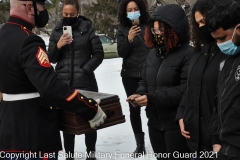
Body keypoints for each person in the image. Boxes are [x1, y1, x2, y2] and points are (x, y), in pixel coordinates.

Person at [0, 0, 106, 159]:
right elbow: (50, 86)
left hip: (7, 132)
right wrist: (89, 108)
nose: (44, 11)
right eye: (42, 6)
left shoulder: (2, 35)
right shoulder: (28, 39)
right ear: (30, 8)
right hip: (33, 134)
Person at [127, 4, 191, 160]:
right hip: (154, 123)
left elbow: (184, 90)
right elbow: (144, 80)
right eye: (154, 30)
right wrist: (140, 93)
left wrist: (152, 98)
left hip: (176, 125)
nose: (157, 34)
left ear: (174, 30)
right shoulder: (152, 55)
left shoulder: (188, 54)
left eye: (161, 30)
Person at [47, 0, 103, 159]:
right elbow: (51, 58)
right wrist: (58, 45)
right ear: (62, 13)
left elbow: (99, 54)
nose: (68, 17)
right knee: (66, 122)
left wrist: (85, 69)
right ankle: (69, 155)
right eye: (65, 14)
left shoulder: (87, 29)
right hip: (63, 84)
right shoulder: (57, 31)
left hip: (86, 83)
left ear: (77, 13)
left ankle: (91, 154)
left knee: (90, 119)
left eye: (72, 14)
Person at [176, 0, 223, 159]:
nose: (202, 26)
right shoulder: (196, 52)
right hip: (195, 139)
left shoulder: (226, 51)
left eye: (205, 20)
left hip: (219, 140)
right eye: (198, 23)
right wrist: (182, 113)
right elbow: (190, 87)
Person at [205, 0, 240, 159]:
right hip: (225, 147)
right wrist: (215, 139)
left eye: (222, 38)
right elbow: (219, 99)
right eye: (216, 40)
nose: (220, 44)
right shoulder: (227, 58)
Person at [117, 0, 150, 155]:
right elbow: (121, 53)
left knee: (153, 105)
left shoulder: (149, 25)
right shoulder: (122, 29)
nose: (133, 12)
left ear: (141, 10)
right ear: (125, 12)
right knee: (134, 109)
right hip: (129, 75)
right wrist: (129, 38)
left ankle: (158, 136)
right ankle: (140, 144)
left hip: (149, 73)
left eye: (136, 9)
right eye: (130, 9)